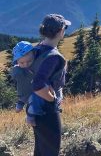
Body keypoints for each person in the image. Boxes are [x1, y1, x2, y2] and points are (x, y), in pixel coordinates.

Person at [28, 14, 71, 156]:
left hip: (35, 106)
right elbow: (38, 84)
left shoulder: (37, 49)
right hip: (47, 109)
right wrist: (52, 100)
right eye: (65, 27)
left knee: (41, 149)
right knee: (51, 150)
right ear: (60, 31)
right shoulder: (53, 56)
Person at [11, 41, 37, 126]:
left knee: (32, 103)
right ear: (17, 62)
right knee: (23, 99)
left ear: (34, 56)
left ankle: (30, 118)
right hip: (23, 92)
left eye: (29, 61)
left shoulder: (35, 67)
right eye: (22, 63)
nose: (26, 64)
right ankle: (20, 106)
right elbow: (15, 75)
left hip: (34, 92)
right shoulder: (17, 70)